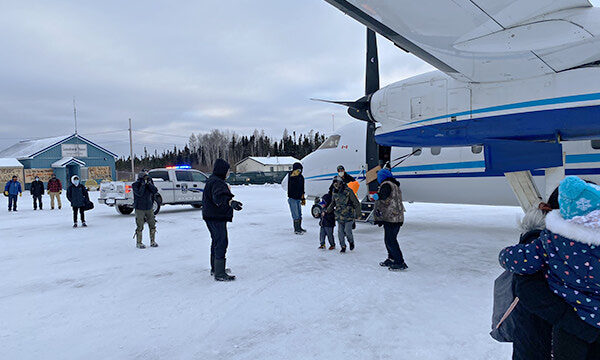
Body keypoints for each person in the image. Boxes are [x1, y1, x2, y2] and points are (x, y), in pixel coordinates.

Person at [499, 176, 600, 359]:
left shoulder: (550, 245)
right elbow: (530, 291)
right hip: (545, 341)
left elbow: (511, 258)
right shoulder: (543, 242)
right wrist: (585, 327)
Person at [202, 159, 243, 282]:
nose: (228, 173)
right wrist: (231, 202)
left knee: (216, 241)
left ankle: (215, 268)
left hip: (211, 216)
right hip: (215, 217)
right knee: (221, 241)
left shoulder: (213, 180)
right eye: (227, 170)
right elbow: (220, 196)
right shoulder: (217, 182)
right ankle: (219, 273)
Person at [371, 168, 407, 271]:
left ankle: (399, 262)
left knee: (391, 240)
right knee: (389, 239)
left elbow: (384, 194)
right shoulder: (394, 184)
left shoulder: (386, 184)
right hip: (395, 217)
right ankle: (391, 258)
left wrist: (377, 196)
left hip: (392, 218)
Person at [327, 176, 361, 253]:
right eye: (334, 183)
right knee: (340, 233)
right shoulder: (334, 192)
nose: (336, 184)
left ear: (341, 183)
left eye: (337, 182)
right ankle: (343, 246)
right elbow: (333, 203)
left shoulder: (348, 191)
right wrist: (328, 210)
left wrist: (358, 214)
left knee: (348, 231)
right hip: (339, 216)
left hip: (348, 215)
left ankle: (351, 242)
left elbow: (356, 203)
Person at [132, 172, 158, 249]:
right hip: (139, 208)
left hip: (149, 207)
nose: (146, 179)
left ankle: (153, 241)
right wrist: (143, 184)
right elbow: (139, 193)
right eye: (144, 177)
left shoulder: (149, 184)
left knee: (152, 224)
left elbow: (155, 191)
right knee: (140, 225)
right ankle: (139, 242)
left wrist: (149, 184)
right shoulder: (136, 185)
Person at [288, 162, 306, 235]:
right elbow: (291, 186)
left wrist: (303, 198)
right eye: (298, 170)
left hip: (298, 198)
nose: (299, 172)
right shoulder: (291, 177)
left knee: (299, 214)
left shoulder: (301, 178)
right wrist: (293, 176)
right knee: (295, 214)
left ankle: (300, 227)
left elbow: (302, 188)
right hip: (292, 198)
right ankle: (296, 229)